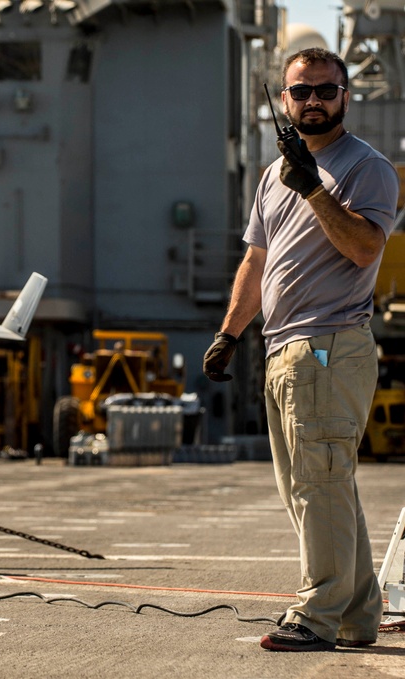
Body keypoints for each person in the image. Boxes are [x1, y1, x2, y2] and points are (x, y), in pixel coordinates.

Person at [203, 47, 400, 652]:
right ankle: (357, 614)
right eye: (301, 91)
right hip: (284, 348)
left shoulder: (368, 169)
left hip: (329, 345)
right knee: (315, 485)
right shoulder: (272, 174)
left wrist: (314, 190)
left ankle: (316, 616)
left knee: (320, 483)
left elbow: (366, 249)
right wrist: (230, 332)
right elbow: (257, 261)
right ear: (282, 101)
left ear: (346, 96)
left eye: (325, 89)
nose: (313, 100)